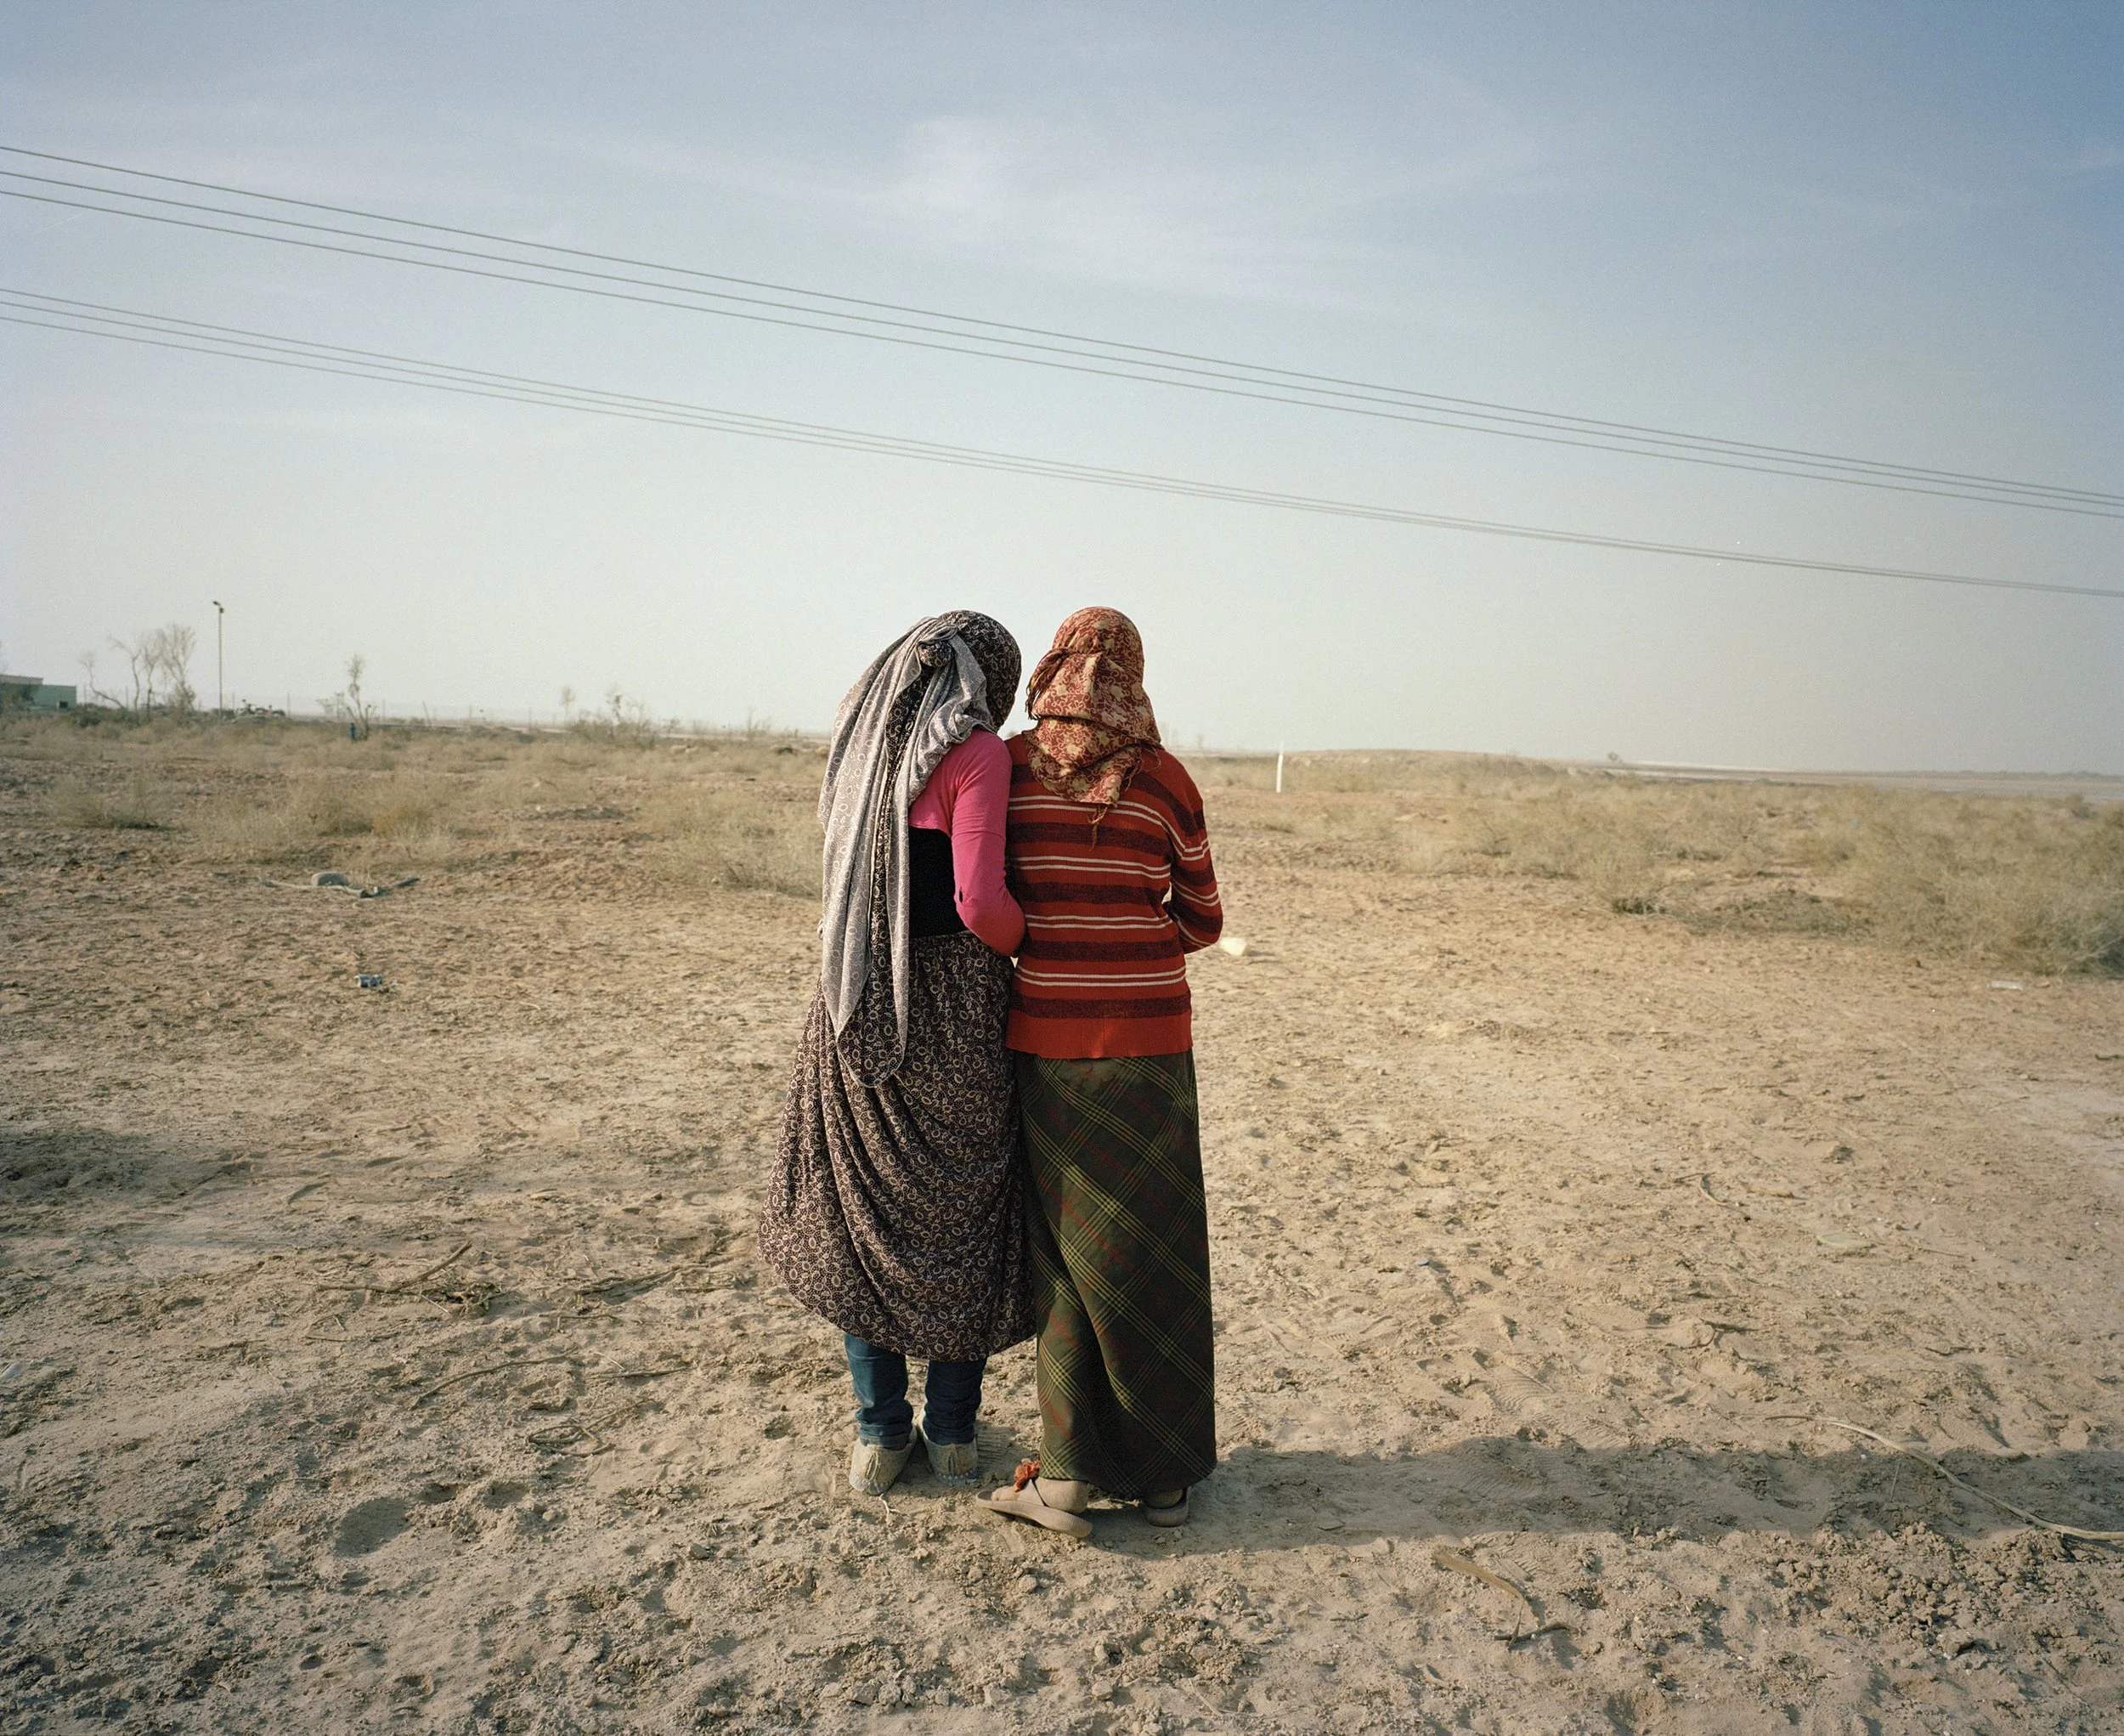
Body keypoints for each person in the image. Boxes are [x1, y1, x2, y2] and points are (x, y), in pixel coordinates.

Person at [757, 611, 1034, 1497]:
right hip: (952, 1011)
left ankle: (878, 1434)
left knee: (862, 1218)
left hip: (853, 997)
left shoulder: (864, 750)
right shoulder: (978, 753)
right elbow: (977, 902)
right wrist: (1033, 939)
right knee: (962, 1214)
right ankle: (950, 1435)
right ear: (984, 679)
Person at [977, 607, 1223, 1540]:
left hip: (1048, 1045)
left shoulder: (1008, 769)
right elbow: (1202, 917)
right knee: (1158, 1250)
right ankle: (1165, 1485)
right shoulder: (1167, 780)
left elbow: (984, 893)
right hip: (1152, 1045)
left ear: (1053, 669)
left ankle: (1069, 1481)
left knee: (1067, 1254)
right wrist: (1131, 933)